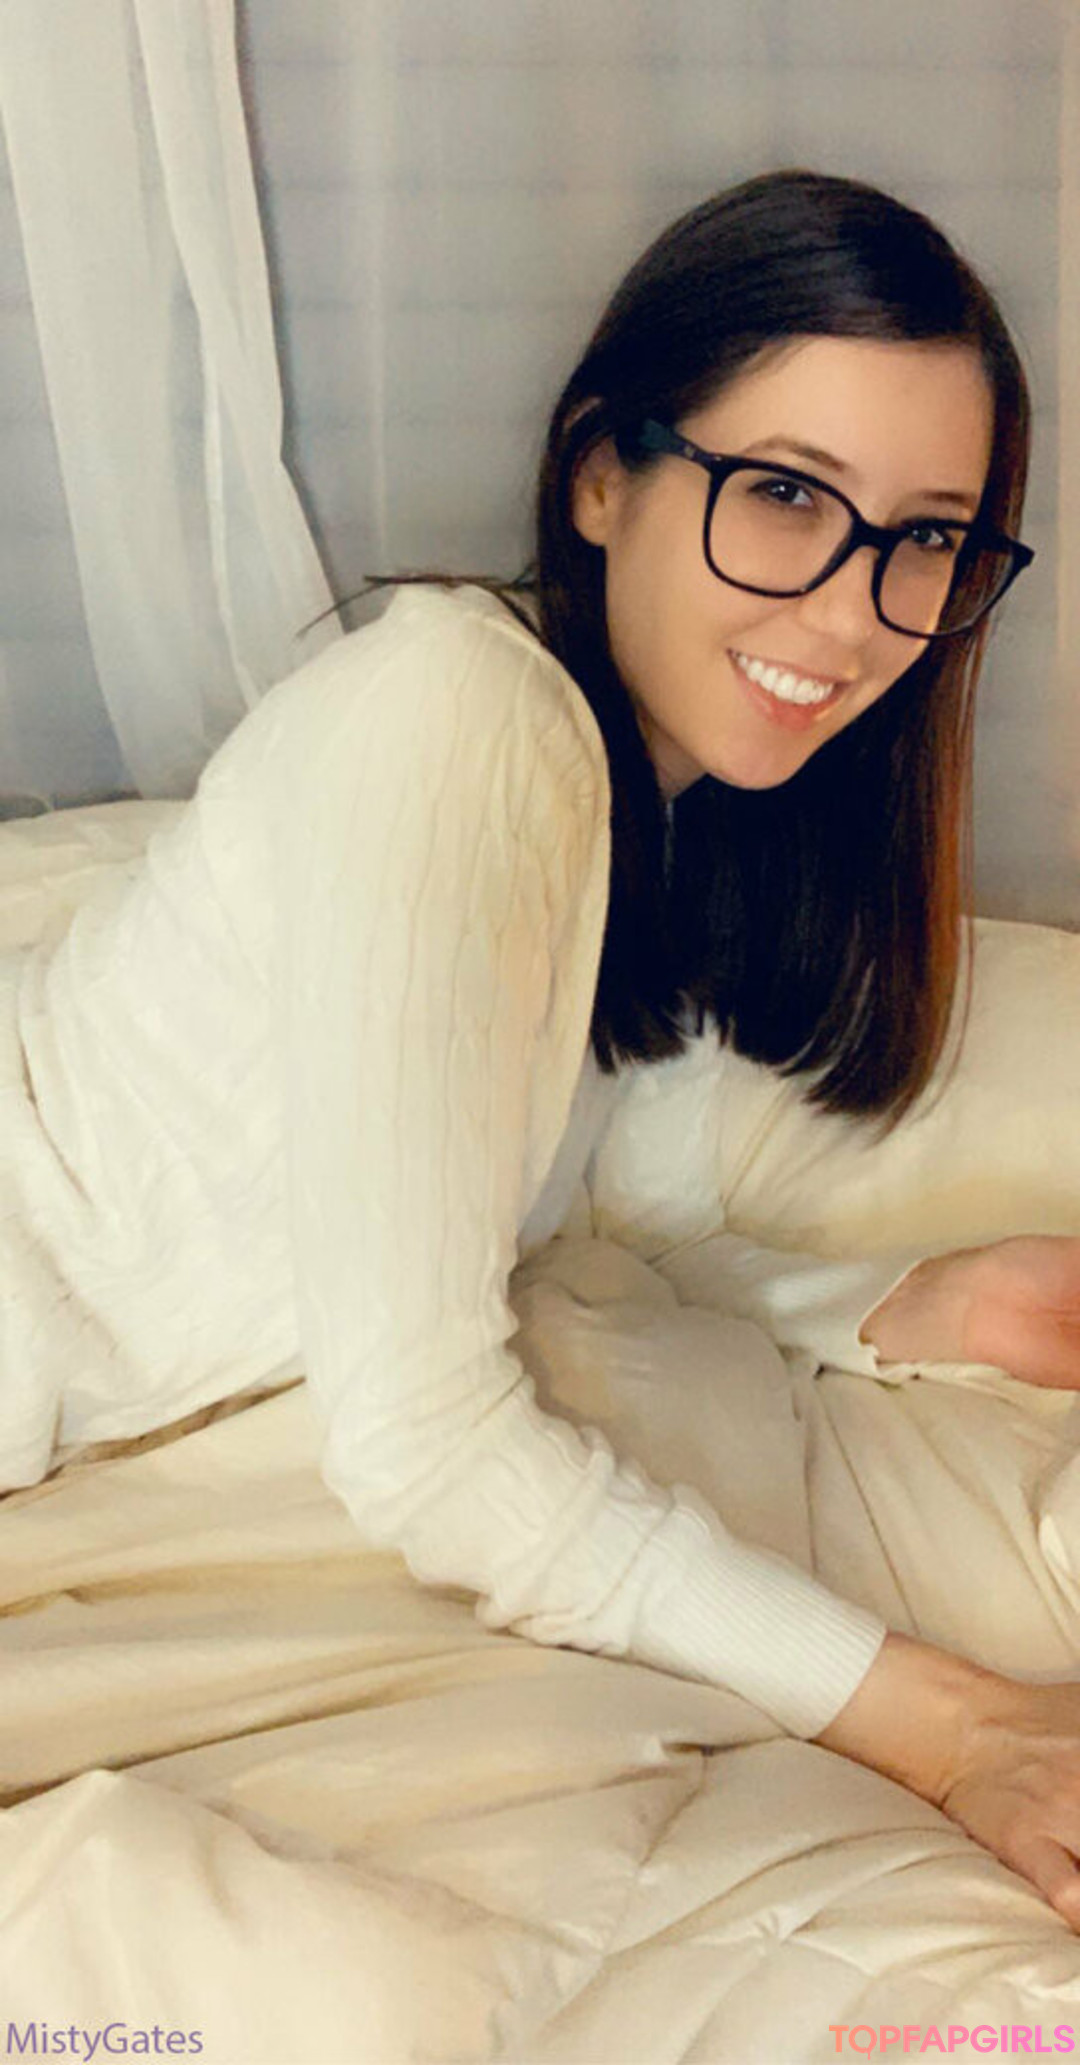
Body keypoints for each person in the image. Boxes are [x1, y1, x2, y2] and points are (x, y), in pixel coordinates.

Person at [3, 166, 1080, 1926]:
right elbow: (428, 1440)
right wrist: (946, 1723)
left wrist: (900, 1304)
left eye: (927, 537)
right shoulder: (463, 719)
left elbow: (522, 1219)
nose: (850, 610)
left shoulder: (622, 795)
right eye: (785, 494)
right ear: (601, 474)